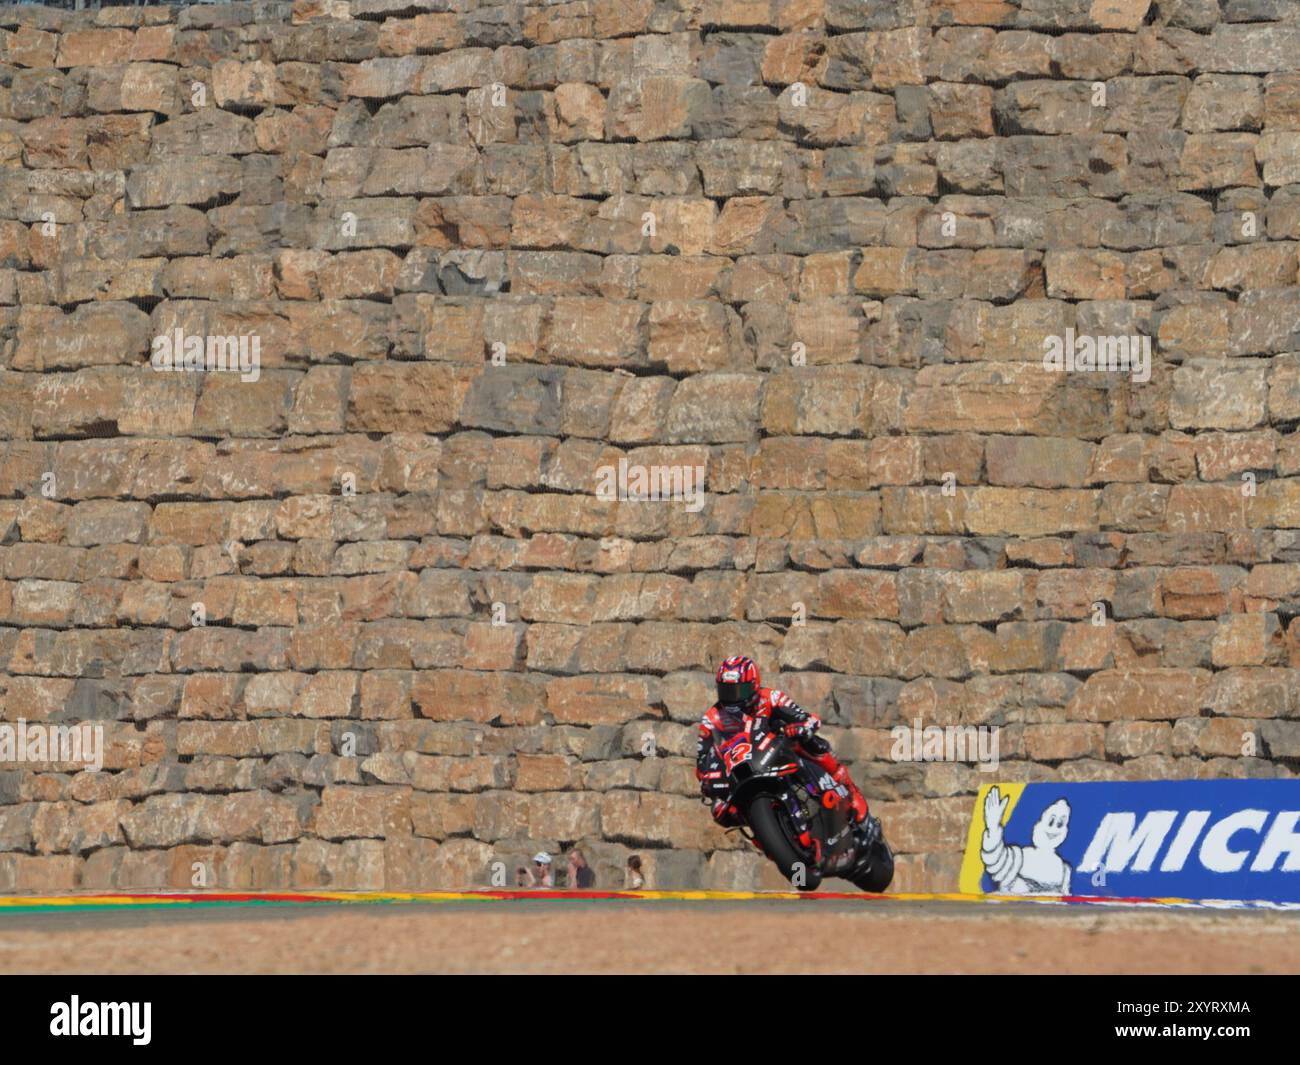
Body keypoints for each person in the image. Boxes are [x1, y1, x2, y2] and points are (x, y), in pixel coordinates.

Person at [696, 655, 872, 840]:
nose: (733, 698)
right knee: (719, 810)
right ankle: (770, 838)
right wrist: (708, 778)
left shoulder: (770, 697)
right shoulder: (712, 718)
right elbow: (703, 758)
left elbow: (806, 718)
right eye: (727, 691)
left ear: (754, 685)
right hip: (741, 773)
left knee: (813, 743)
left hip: (775, 752)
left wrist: (802, 727)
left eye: (740, 690)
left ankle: (849, 790)